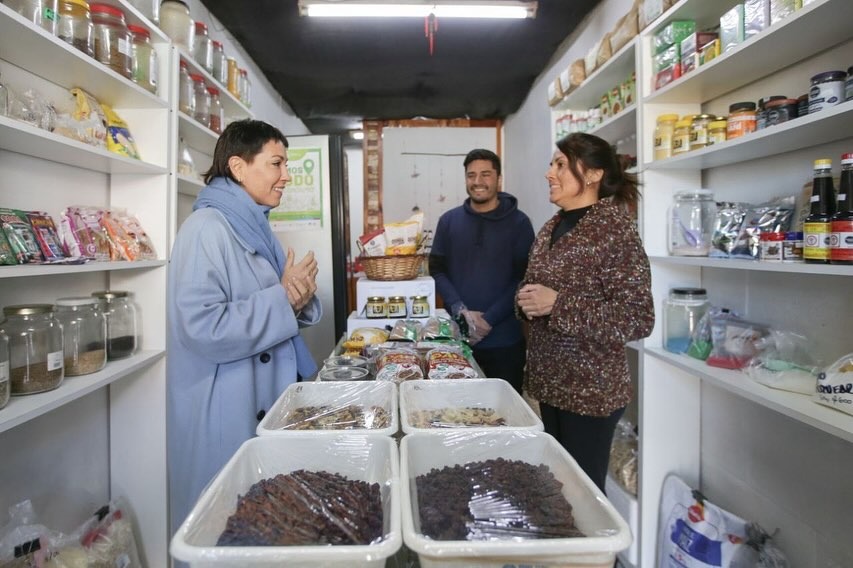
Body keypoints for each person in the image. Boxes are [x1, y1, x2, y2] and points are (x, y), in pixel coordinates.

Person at [166, 119, 321, 535]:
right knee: (226, 527)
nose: (286, 175)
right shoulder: (206, 230)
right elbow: (204, 327)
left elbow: (273, 301)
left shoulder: (252, 223)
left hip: (256, 395)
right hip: (226, 406)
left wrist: (296, 296)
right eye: (276, 163)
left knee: (259, 526)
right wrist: (285, 297)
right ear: (238, 167)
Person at [516, 133, 654, 492]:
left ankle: (594, 550)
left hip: (591, 393)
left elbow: (638, 317)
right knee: (557, 486)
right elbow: (538, 288)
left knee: (584, 495)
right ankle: (563, 547)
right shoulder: (553, 225)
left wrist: (557, 304)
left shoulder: (614, 231)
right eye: (552, 164)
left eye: (560, 164)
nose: (549, 172)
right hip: (551, 386)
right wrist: (526, 302)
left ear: (592, 175)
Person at [429, 148, 535, 393]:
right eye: (471, 175)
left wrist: (488, 320)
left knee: (505, 417)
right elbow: (437, 269)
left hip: (506, 342)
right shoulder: (448, 221)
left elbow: (525, 278)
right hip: (457, 341)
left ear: (498, 178)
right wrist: (459, 309)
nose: (477, 181)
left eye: (485, 174)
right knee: (458, 413)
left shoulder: (520, 223)